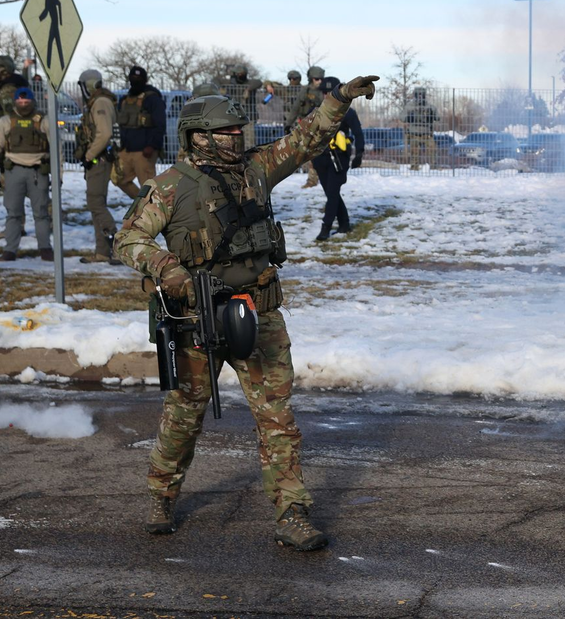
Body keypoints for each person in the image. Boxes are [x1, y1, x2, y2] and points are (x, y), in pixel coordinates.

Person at [114, 73, 380, 549]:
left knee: (278, 418)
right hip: (197, 319)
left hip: (258, 312)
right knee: (184, 415)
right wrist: (168, 269)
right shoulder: (171, 187)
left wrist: (339, 99)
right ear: (198, 136)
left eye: (239, 131)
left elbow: (306, 137)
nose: (237, 138)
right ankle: (161, 494)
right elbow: (128, 238)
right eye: (226, 132)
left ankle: (292, 513)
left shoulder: (258, 169)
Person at [0, 87, 53, 261]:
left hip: (38, 171)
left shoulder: (43, 121)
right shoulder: (6, 121)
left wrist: (58, 175)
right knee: (13, 213)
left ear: (32, 101)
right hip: (13, 170)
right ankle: (10, 250)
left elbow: (56, 148)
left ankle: (45, 248)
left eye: (27, 101)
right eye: (20, 101)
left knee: (41, 212)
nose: (23, 104)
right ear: (15, 102)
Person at [75, 69, 122, 264]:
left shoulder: (101, 102)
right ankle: (102, 251)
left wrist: (89, 155)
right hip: (97, 159)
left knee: (95, 202)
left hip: (99, 159)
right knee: (96, 204)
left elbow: (104, 134)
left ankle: (118, 247)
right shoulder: (97, 102)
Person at [311, 77, 365, 241]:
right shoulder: (316, 111)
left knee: (333, 193)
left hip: (339, 158)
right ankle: (344, 223)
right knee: (330, 193)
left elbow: (358, 134)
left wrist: (359, 154)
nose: (326, 95)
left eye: (330, 92)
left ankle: (326, 227)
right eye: (324, 92)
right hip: (320, 158)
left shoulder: (348, 112)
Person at [115, 65, 166, 198]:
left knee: (148, 188)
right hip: (126, 150)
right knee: (118, 178)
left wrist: (152, 145)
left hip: (144, 151)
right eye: (133, 77)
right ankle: (141, 204)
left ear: (144, 79)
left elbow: (160, 125)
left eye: (138, 78)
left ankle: (152, 208)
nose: (135, 80)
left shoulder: (153, 99)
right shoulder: (125, 100)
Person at [286, 66, 325, 189]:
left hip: (320, 126)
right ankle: (312, 179)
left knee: (316, 153)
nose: (319, 81)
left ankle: (315, 179)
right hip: (306, 126)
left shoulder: (324, 91)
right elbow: (296, 108)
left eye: (321, 79)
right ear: (311, 79)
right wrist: (288, 124)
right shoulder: (305, 91)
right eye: (316, 79)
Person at [222, 64, 263, 147]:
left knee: (249, 140)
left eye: (242, 74)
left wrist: (248, 89)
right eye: (239, 74)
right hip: (234, 117)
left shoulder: (249, 83)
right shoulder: (231, 84)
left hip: (249, 116)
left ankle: (249, 153)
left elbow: (259, 82)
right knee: (234, 139)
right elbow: (216, 80)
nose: (240, 75)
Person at [404, 87, 439, 170]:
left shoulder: (430, 106)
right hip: (414, 134)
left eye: (421, 95)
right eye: (418, 94)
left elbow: (437, 117)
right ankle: (414, 167)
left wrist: (431, 115)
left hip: (426, 133)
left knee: (432, 149)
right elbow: (402, 117)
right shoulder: (410, 106)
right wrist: (409, 117)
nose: (420, 97)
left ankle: (434, 166)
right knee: (414, 151)